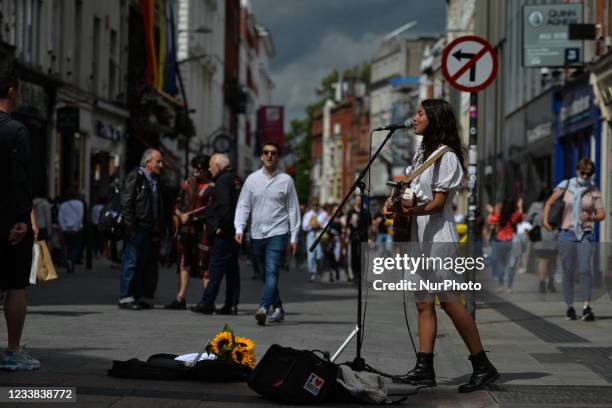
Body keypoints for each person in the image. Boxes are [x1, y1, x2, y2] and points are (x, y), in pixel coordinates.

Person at [384, 99, 498, 393]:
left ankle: (482, 365)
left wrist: (408, 211)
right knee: (423, 302)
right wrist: (396, 201)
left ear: (434, 118)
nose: (414, 117)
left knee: (448, 301)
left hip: (438, 238)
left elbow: (436, 204)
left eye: (420, 113)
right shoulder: (422, 153)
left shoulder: (445, 157)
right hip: (418, 236)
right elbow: (411, 191)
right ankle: (425, 368)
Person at [0, 59, 40, 370]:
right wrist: (21, 220)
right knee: (15, 285)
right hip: (7, 221)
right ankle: (13, 350)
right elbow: (21, 179)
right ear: (12, 91)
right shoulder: (17, 131)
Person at [234, 142, 300, 325]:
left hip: (278, 233)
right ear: (262, 156)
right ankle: (278, 307)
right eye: (266, 152)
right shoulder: (252, 180)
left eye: (274, 152)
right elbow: (243, 205)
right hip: (256, 234)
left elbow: (293, 210)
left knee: (271, 270)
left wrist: (294, 236)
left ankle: (263, 307)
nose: (270, 155)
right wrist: (239, 228)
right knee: (264, 273)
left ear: (277, 157)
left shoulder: (286, 180)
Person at [543, 158, 605, 321]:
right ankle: (569, 306)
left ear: (592, 174)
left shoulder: (594, 191)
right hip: (566, 233)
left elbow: (602, 213)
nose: (585, 175)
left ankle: (586, 306)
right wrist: (545, 220)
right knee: (568, 271)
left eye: (589, 173)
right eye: (583, 172)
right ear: (577, 171)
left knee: (585, 269)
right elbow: (550, 203)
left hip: (585, 233)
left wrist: (591, 217)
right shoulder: (566, 185)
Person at [190, 154, 241, 315]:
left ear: (218, 166)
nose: (210, 170)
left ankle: (207, 303)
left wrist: (219, 227)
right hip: (235, 231)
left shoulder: (223, 181)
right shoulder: (236, 179)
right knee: (232, 269)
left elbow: (224, 206)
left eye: (211, 166)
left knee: (216, 268)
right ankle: (231, 304)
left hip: (225, 232)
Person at [118, 148, 165, 310]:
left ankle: (138, 296)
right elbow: (126, 202)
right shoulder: (135, 177)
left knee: (143, 263)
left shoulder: (154, 180)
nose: (161, 164)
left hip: (149, 228)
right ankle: (126, 297)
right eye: (158, 161)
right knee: (131, 261)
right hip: (137, 227)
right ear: (147, 163)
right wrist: (130, 227)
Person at [165, 155, 213, 310]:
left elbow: (209, 208)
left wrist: (190, 215)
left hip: (202, 231)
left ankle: (208, 300)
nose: (196, 171)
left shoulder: (212, 186)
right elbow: (178, 200)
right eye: (194, 167)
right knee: (184, 263)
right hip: (186, 230)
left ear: (207, 169)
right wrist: (178, 211)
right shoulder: (188, 183)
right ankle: (180, 298)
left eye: (199, 168)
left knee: (204, 263)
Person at [488, 196, 523, 293]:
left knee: (500, 265)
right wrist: (520, 206)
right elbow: (521, 217)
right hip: (511, 241)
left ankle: (500, 286)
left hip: (500, 241)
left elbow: (490, 220)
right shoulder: (514, 215)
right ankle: (509, 287)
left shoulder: (499, 215)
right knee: (511, 265)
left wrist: (492, 212)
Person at [526, 190, 558, 293]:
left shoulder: (535, 206)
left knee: (542, 260)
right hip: (554, 236)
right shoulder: (556, 206)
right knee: (552, 261)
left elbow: (528, 219)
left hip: (539, 238)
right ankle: (551, 282)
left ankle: (542, 283)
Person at [58, 188, 85, 273]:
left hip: (66, 229)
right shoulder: (80, 204)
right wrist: (76, 228)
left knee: (68, 246)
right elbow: (80, 217)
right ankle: (71, 260)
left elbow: (60, 217)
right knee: (76, 246)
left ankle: (68, 260)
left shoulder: (63, 205)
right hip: (76, 229)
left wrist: (63, 228)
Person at [302, 201, 326, 282]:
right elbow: (304, 227)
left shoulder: (323, 214)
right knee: (311, 256)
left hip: (319, 236)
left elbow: (326, 225)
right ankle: (312, 273)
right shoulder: (308, 215)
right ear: (312, 206)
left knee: (319, 255)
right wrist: (311, 225)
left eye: (317, 205)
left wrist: (319, 225)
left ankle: (319, 270)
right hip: (311, 235)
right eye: (314, 205)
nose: (315, 207)